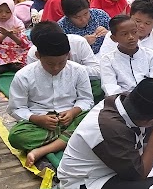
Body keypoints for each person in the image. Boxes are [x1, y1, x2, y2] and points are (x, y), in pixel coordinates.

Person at [58, 77, 153, 189]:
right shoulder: (111, 127)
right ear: (152, 120)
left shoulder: (127, 102)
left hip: (114, 169)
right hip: (86, 185)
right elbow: (139, 174)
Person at [7, 26, 94, 167]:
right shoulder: (24, 76)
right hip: (40, 123)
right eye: (50, 64)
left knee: (94, 117)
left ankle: (43, 149)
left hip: (71, 118)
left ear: (68, 56)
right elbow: (16, 108)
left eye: (61, 63)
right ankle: (71, 138)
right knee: (16, 137)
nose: (56, 68)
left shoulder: (78, 71)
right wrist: (38, 119)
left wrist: (72, 112)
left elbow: (86, 99)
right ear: (38, 56)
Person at [99, 15, 153, 96]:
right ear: (114, 38)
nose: (131, 37)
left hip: (151, 100)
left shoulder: (151, 55)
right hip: (121, 102)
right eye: (124, 34)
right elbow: (111, 89)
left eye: (134, 32)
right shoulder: (108, 60)